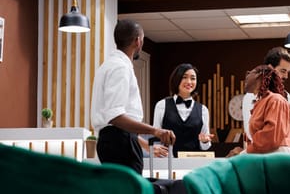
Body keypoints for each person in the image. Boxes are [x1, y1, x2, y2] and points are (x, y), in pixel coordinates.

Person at [91, 19, 175, 174]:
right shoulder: (120, 68)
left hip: (114, 141)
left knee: (121, 193)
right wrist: (156, 131)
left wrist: (144, 145)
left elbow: (118, 126)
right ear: (138, 41)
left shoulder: (107, 65)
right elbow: (115, 117)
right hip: (120, 144)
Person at [153, 63, 214, 156]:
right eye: (184, 77)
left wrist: (204, 141)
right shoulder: (162, 105)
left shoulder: (203, 110)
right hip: (168, 161)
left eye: (193, 78)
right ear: (176, 79)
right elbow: (156, 137)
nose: (189, 82)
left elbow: (205, 147)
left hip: (193, 162)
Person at [242, 47, 290, 142]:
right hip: (260, 152)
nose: (286, 76)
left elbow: (287, 127)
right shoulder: (251, 96)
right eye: (283, 71)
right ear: (270, 68)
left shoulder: (287, 96)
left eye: (288, 72)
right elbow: (250, 131)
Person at [244, 64, 290, 154]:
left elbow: (271, 137)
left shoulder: (276, 100)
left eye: (250, 72)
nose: (247, 75)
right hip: (268, 156)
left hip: (278, 157)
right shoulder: (260, 103)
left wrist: (246, 152)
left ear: (259, 75)